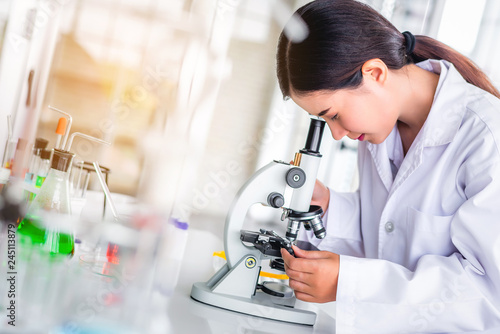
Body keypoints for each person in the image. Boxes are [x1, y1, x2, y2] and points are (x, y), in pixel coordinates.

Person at [277, 0, 500, 332]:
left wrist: (349, 283)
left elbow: (487, 295)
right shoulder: (379, 131)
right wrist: (327, 208)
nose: (337, 134)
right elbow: (388, 233)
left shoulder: (486, 137)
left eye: (334, 116)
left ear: (375, 74)